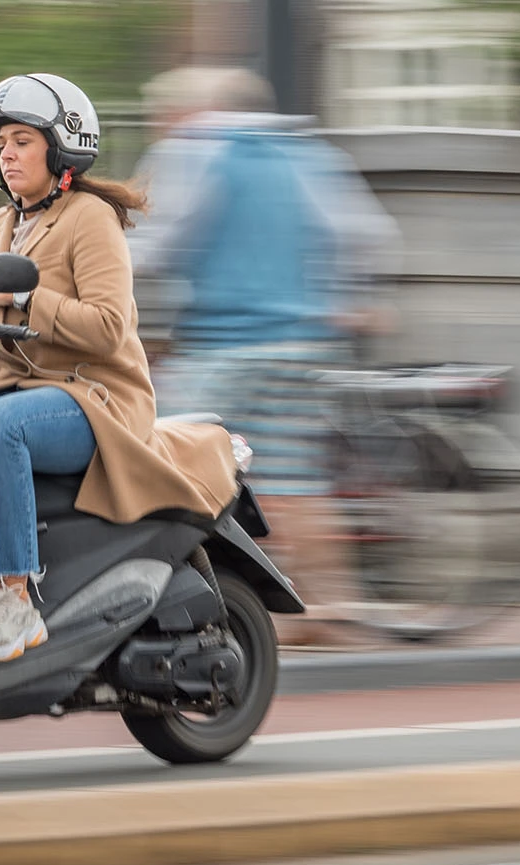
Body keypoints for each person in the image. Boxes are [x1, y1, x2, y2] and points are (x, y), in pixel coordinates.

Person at [0, 72, 238, 662]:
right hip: (10, 388)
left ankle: (16, 602)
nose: (8, 153)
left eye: (22, 140)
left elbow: (107, 326)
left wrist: (26, 300)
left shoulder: (88, 217)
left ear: (60, 147)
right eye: (2, 143)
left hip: (93, 401)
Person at [128, 66, 399, 645]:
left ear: (190, 111)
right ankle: (331, 604)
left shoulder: (195, 150)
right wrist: (352, 299)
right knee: (295, 478)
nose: (161, 126)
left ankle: (182, 604)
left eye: (163, 115)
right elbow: (367, 233)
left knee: (164, 457)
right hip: (301, 344)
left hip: (226, 345)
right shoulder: (308, 155)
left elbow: (160, 245)